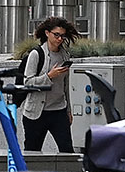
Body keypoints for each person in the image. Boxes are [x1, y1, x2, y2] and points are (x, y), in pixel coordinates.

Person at [18, 16, 79, 152]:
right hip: (36, 113)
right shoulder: (36, 54)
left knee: (67, 151)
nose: (59, 39)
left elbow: (65, 85)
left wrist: (68, 109)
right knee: (32, 152)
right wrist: (49, 76)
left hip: (58, 111)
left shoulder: (64, 55)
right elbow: (28, 82)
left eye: (62, 36)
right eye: (56, 35)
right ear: (47, 33)